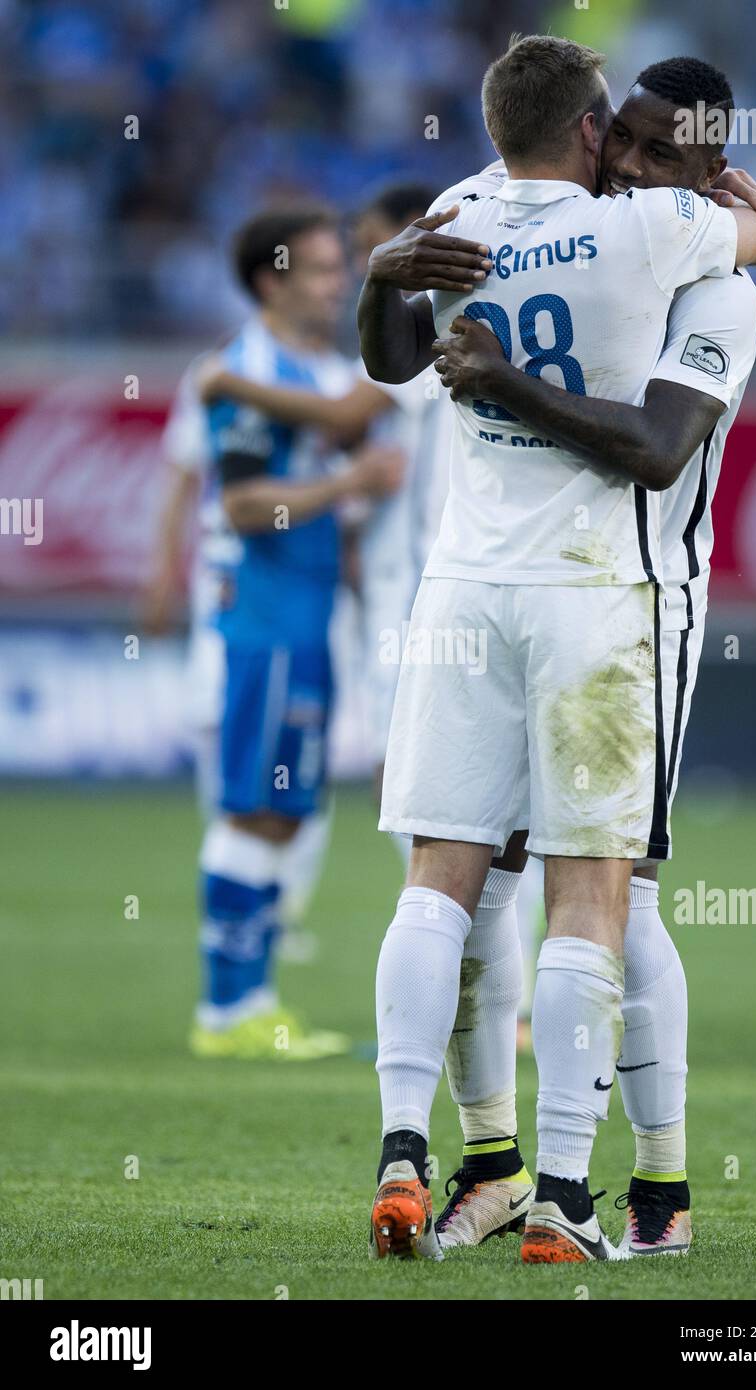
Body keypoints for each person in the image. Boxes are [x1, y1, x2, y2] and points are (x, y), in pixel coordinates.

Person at [357, 34, 756, 1263]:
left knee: (603, 895)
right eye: (628, 139)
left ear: (707, 163)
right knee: (504, 887)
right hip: (559, 599)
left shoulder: (690, 269)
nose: (637, 164)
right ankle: (509, 1169)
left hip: (623, 596)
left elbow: (658, 444)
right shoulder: (650, 233)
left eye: (666, 152)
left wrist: (466, 351)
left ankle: (647, 1178)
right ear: (596, 129)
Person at [191, 203, 402, 1061]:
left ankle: (253, 1001)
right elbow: (244, 505)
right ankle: (229, 1010)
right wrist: (348, 484)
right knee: (257, 811)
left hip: (308, 616)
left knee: (288, 810)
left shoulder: (297, 372)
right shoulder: (250, 364)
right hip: (266, 621)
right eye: (319, 269)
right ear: (269, 280)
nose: (336, 283)